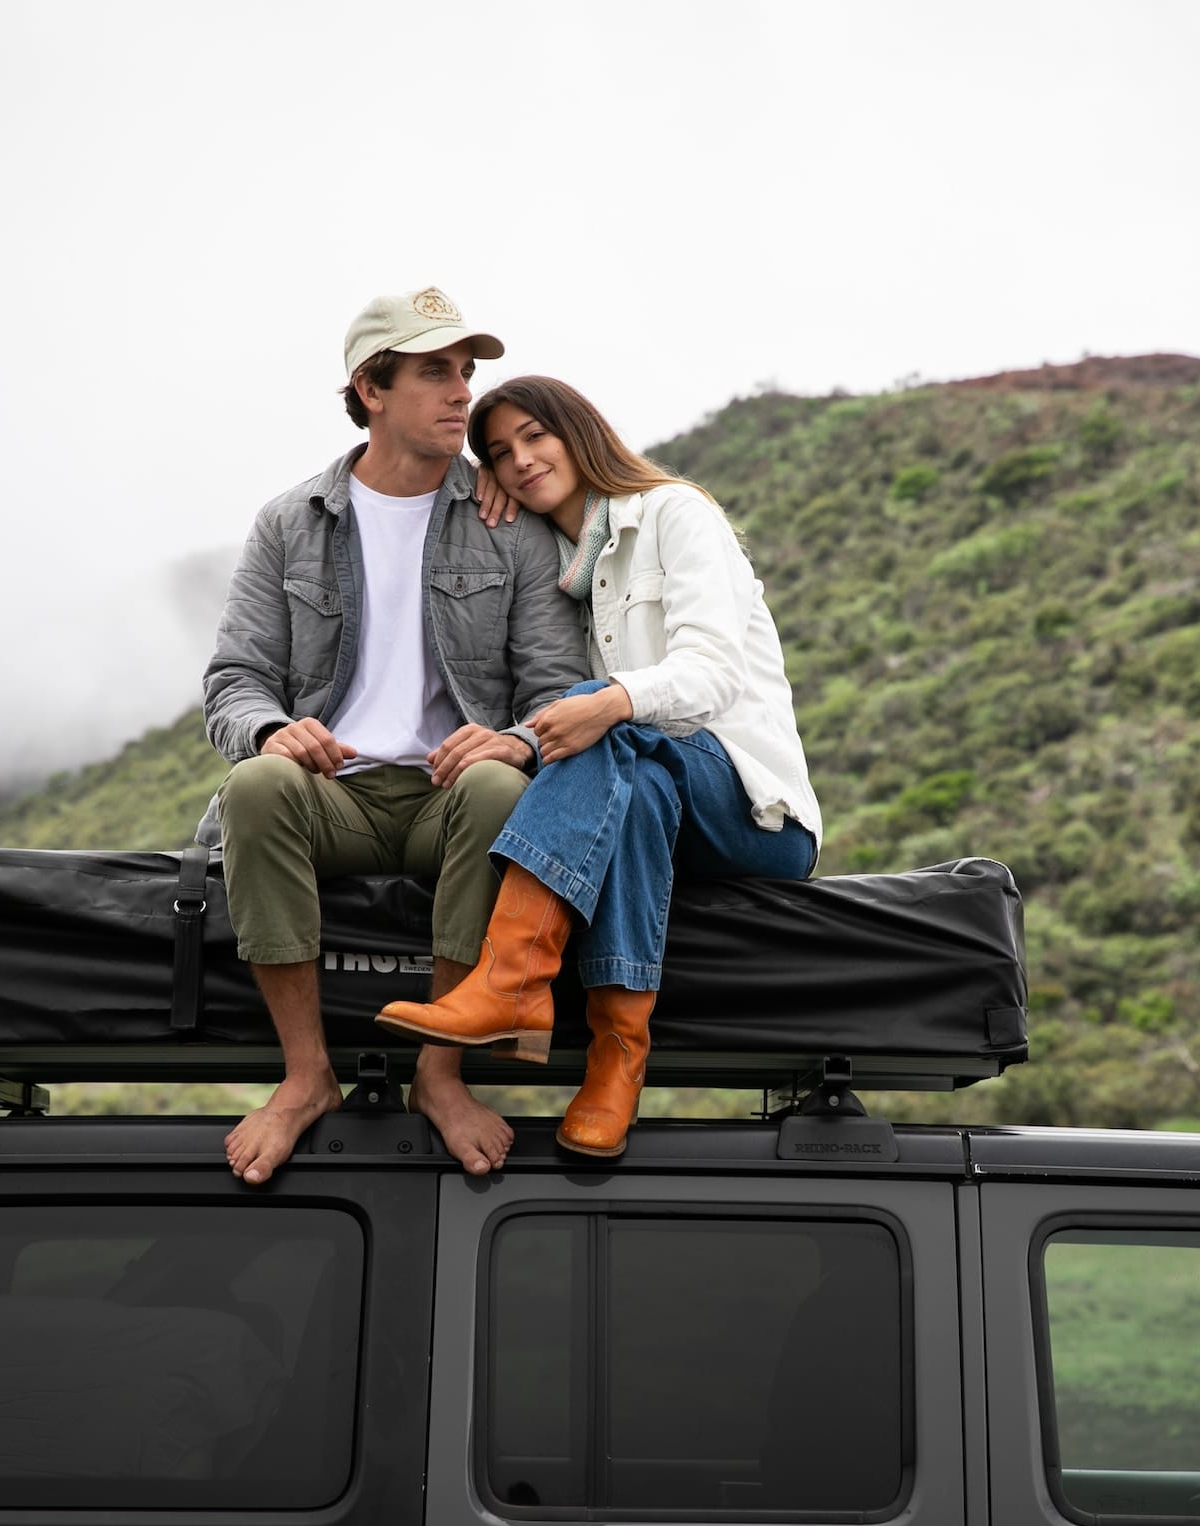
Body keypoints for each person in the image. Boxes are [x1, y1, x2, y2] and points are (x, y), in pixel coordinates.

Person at [198, 291, 587, 1185]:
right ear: (370, 389)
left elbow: (557, 690)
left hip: (449, 801)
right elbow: (233, 680)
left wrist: (516, 742)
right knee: (253, 784)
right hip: (330, 795)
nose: (461, 394)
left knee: (500, 791)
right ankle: (305, 1077)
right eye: (434, 373)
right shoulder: (289, 523)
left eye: (466, 373)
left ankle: (439, 1078)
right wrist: (270, 728)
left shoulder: (509, 527)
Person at [375, 376, 821, 1156]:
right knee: (638, 781)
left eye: (536, 436)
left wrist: (608, 701)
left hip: (754, 809)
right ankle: (616, 1063)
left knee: (608, 719)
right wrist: (531, 732)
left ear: (579, 432)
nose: (521, 460)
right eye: (501, 452)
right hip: (651, 795)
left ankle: (513, 977)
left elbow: (713, 674)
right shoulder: (554, 566)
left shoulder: (676, 513)